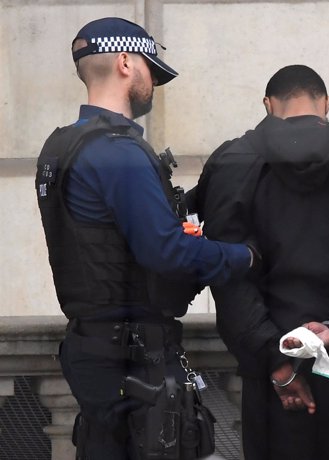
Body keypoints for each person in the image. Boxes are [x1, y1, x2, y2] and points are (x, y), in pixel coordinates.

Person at [35, 17, 256, 460]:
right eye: (149, 68)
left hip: (93, 347)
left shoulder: (60, 146)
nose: (153, 81)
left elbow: (105, 234)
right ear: (124, 62)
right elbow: (165, 251)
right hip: (133, 356)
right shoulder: (118, 151)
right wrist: (245, 257)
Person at [194, 64, 329, 459]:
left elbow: (228, 275)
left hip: (273, 379)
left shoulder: (231, 166)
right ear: (326, 104)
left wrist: (277, 359)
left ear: (267, 105)